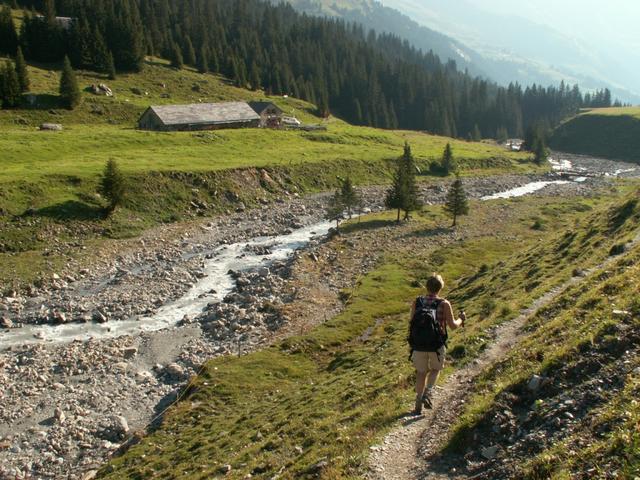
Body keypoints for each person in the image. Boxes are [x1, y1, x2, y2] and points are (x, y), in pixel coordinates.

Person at [409, 273, 465, 415]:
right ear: (440, 288)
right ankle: (428, 393)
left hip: (418, 344)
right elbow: (452, 326)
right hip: (436, 344)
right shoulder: (444, 304)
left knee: (421, 372)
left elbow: (411, 321)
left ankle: (418, 402)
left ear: (426, 286)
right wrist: (461, 319)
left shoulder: (417, 302)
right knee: (435, 369)